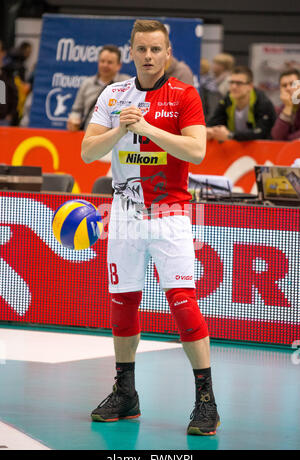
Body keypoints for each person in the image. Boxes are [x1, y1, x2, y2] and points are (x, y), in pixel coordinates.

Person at [82, 19, 220, 436]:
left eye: (155, 49)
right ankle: (126, 393)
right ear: (131, 51)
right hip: (123, 215)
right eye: (141, 49)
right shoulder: (113, 95)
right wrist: (121, 128)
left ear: (167, 53)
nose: (148, 56)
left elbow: (196, 151)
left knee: (183, 305)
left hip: (169, 214)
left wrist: (147, 129)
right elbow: (89, 152)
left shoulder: (184, 95)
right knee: (122, 304)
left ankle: (206, 401)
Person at [67, 45, 130, 132]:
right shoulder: (87, 84)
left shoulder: (127, 84)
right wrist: (74, 120)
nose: (105, 65)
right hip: (90, 136)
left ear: (119, 65)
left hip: (116, 137)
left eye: (110, 62)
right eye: (102, 61)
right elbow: (76, 110)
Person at [207, 65, 276, 142]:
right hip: (234, 149)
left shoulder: (263, 103)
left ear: (250, 86)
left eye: (239, 83)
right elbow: (213, 123)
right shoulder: (226, 100)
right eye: (231, 82)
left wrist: (231, 135)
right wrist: (210, 131)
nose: (234, 86)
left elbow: (261, 132)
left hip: (261, 150)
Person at [271, 69, 300, 141]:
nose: (288, 88)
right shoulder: (282, 108)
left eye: (292, 84)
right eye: (284, 85)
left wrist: (286, 139)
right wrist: (288, 107)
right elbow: (277, 137)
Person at [0, 40, 18, 126]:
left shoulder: (7, 74)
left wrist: (10, 114)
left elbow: (15, 95)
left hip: (3, 120)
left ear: (3, 53)